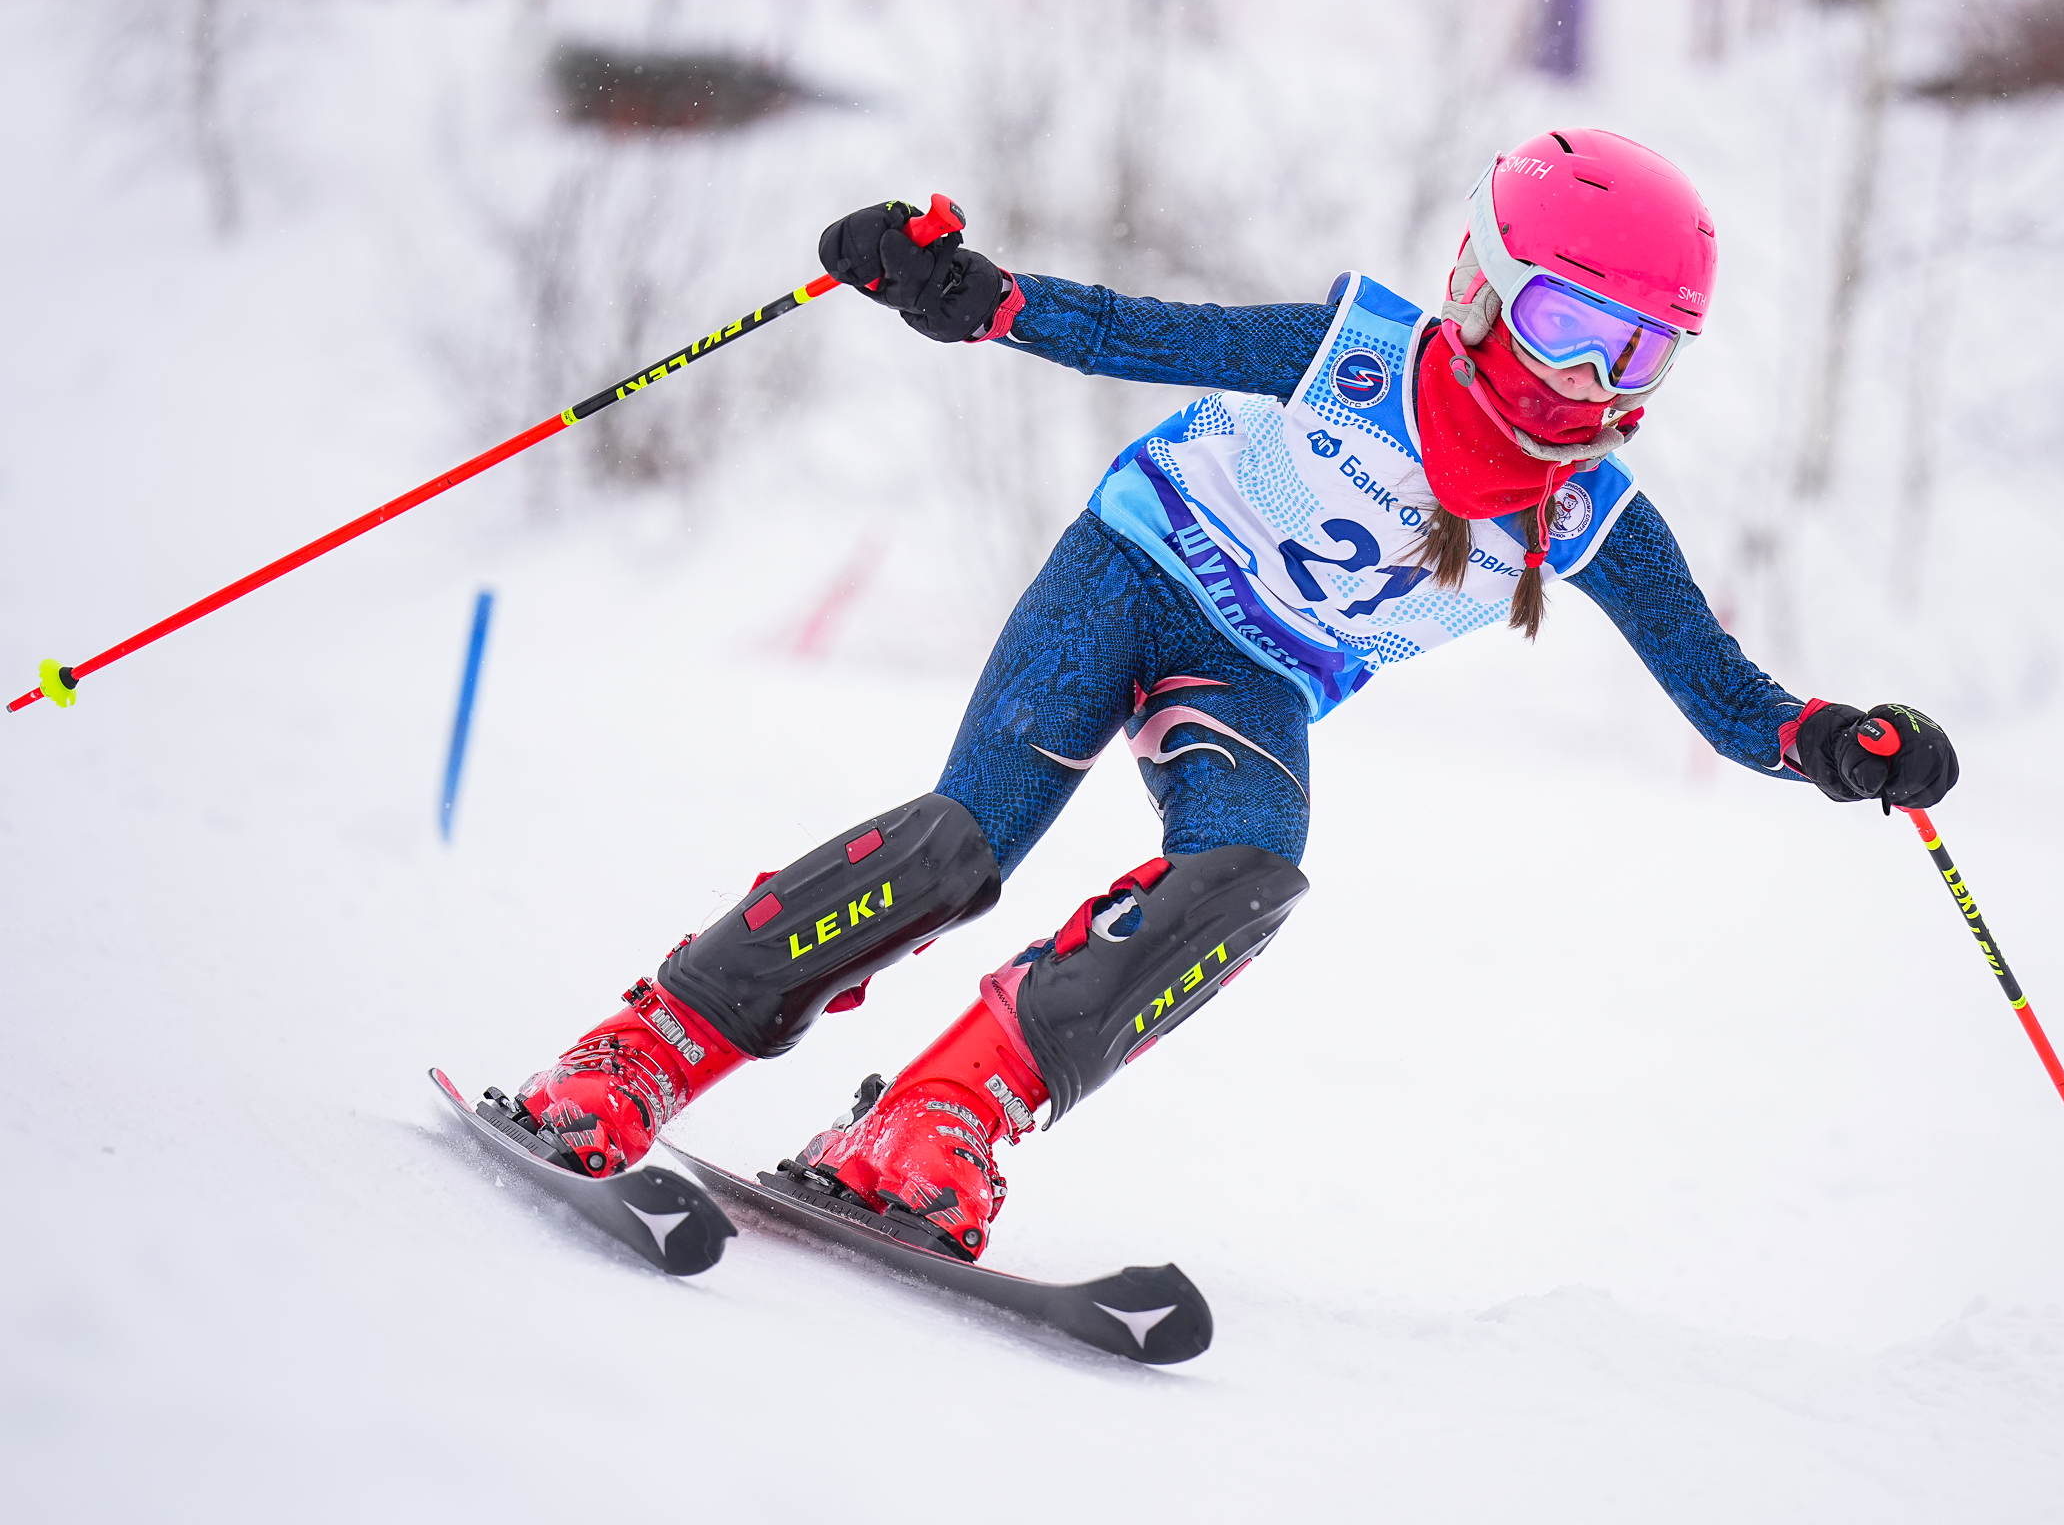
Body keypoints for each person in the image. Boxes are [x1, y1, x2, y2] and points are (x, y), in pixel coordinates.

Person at [502, 128, 1959, 1263]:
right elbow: (1137, 330)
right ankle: (640, 1048)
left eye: (1636, 350)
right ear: (1487, 282)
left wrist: (1836, 745)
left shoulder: (1585, 516)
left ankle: (938, 1115)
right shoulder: (1356, 358)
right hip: (1129, 574)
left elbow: (1722, 693)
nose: (1588, 376)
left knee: (1253, 872)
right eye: (1571, 322)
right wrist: (969, 295)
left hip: (1248, 675)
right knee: (965, 850)